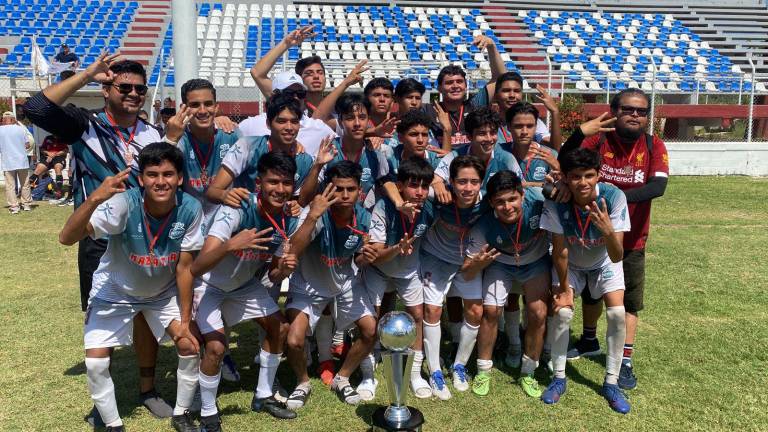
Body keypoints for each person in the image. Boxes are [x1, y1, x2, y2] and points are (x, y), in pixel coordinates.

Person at [22, 53, 174, 421]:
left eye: (139, 89)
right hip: (98, 240)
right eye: (125, 87)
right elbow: (36, 108)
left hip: (144, 241)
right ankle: (103, 401)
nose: (133, 94)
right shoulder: (84, 124)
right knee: (102, 323)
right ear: (106, 90)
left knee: (145, 315)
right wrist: (88, 74)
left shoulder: (152, 133)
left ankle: (148, 389)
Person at [58, 143, 205, 431]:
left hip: (161, 293)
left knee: (189, 345)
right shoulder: (123, 203)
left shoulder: (190, 208)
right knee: (96, 364)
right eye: (152, 174)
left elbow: (185, 268)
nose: (160, 181)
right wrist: (94, 199)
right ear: (141, 179)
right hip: (115, 290)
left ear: (179, 178)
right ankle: (113, 424)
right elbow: (66, 237)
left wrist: (186, 321)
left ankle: (182, 414)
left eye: (168, 174)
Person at [560, 88, 669, 391]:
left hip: (632, 239)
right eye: (628, 109)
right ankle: (589, 340)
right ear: (614, 111)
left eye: (642, 111)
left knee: (628, 302)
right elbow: (565, 160)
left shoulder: (654, 145)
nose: (635, 115)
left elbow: (657, 187)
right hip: (590, 236)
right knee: (592, 293)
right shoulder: (599, 141)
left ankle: (625, 361)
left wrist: (612, 199)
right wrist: (580, 132)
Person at [190, 152, 303, 426]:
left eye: (286, 183)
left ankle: (263, 395)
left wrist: (284, 269)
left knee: (280, 328)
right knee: (216, 348)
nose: (280, 189)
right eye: (273, 182)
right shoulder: (236, 209)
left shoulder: (289, 219)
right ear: (259, 184)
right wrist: (231, 244)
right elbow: (198, 266)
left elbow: (273, 274)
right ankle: (207, 411)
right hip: (209, 284)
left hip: (243, 285)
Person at [539, 147, 632, 414]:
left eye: (589, 175)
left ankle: (611, 383)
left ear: (598, 175)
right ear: (566, 177)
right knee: (563, 313)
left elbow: (617, 256)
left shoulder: (614, 197)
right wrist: (564, 289)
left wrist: (608, 231)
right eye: (576, 176)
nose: (583, 182)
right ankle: (558, 378)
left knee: (617, 313)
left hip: (604, 261)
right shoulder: (556, 200)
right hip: (571, 264)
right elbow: (560, 251)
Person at [284, 161, 379, 408]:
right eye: (338, 189)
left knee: (371, 331)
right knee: (294, 340)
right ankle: (302, 383)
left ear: (360, 191)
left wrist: (366, 257)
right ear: (328, 188)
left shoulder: (364, 218)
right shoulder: (315, 212)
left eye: (351, 189)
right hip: (307, 285)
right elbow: (293, 250)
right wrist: (312, 216)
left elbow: (358, 258)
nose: (344, 195)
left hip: (345, 284)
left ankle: (342, 378)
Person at [462, 171, 550, 398]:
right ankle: (483, 370)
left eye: (512, 199)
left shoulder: (539, 201)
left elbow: (565, 194)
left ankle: (528, 372)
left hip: (535, 261)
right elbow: (467, 272)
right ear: (491, 203)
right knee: (491, 311)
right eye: (500, 202)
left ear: (523, 195)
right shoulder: (484, 225)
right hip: (500, 263)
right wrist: (478, 263)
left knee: (538, 313)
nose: (507, 207)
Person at [366, 157, 436, 398]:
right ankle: (368, 373)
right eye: (413, 185)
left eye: (424, 186)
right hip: (378, 268)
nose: (420, 192)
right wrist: (397, 248)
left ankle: (415, 374)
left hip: (408, 271)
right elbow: (375, 257)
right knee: (371, 319)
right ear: (400, 186)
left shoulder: (429, 208)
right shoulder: (383, 207)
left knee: (417, 316)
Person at [420, 155, 488, 400]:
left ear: (481, 183)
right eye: (461, 182)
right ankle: (435, 371)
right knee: (433, 310)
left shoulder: (488, 201)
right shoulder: (438, 196)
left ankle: (459, 366)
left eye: (474, 182)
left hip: (467, 262)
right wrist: (434, 182)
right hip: (435, 258)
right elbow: (403, 187)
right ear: (451, 181)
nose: (468, 188)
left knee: (476, 311)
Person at [207, 93, 315, 206]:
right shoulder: (247, 147)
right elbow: (212, 191)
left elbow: (299, 202)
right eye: (281, 121)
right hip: (243, 213)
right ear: (268, 124)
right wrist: (225, 195)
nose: (289, 127)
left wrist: (294, 206)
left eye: (294, 122)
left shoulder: (304, 160)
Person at [166, 78, 240, 231]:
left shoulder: (231, 134)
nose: (202, 111)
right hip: (189, 220)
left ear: (216, 107)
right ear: (183, 108)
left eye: (208, 104)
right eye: (195, 105)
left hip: (226, 220)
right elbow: (159, 167)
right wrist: (170, 139)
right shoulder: (178, 138)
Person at [300, 93, 390, 209]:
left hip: (359, 217)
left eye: (362, 117)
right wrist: (317, 166)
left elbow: (387, 185)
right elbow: (303, 200)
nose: (357, 123)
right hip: (328, 216)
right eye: (350, 118)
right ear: (340, 121)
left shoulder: (376, 155)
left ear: (368, 120)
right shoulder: (327, 151)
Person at [423, 35, 506, 149]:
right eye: (449, 83)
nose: (455, 86)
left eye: (459, 82)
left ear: (466, 86)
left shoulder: (474, 105)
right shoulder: (429, 110)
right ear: (439, 88)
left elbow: (500, 79)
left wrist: (491, 46)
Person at [432, 107, 521, 203]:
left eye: (493, 133)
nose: (489, 139)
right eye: (482, 134)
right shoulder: (454, 156)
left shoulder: (506, 159)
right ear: (469, 136)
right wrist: (437, 184)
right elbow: (436, 179)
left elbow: (521, 186)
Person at [237, 70, 335, 157]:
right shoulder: (251, 124)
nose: (296, 97)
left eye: (300, 93)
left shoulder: (319, 127)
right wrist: (226, 122)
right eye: (289, 93)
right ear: (275, 94)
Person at [250, 25, 327, 116]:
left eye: (320, 72)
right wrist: (286, 43)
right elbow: (257, 73)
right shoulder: (288, 103)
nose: (316, 76)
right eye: (309, 73)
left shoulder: (336, 105)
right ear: (300, 80)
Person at [474, 71, 561, 150]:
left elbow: (554, 148)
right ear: (496, 95)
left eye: (516, 91)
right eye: (506, 91)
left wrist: (555, 112)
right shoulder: (487, 122)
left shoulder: (532, 121)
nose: (512, 95)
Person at [503, 102, 559, 186]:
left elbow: (560, 188)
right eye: (518, 126)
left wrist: (558, 170)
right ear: (509, 127)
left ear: (536, 126)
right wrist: (540, 185)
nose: (524, 132)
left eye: (529, 126)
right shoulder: (499, 152)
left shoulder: (551, 155)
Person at [0, 112, 33, 213]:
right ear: (13, 119)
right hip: (22, 160)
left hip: (8, 161)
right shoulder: (21, 129)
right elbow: (27, 145)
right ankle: (26, 204)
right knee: (25, 184)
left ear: (4, 120)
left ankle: (14, 206)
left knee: (10, 185)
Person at [29, 133, 69, 202]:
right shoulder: (48, 138)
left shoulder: (62, 138)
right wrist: (48, 153)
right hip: (47, 156)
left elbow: (66, 151)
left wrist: (55, 154)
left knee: (58, 168)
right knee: (38, 170)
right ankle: (28, 190)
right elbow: (42, 149)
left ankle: (59, 191)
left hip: (59, 157)